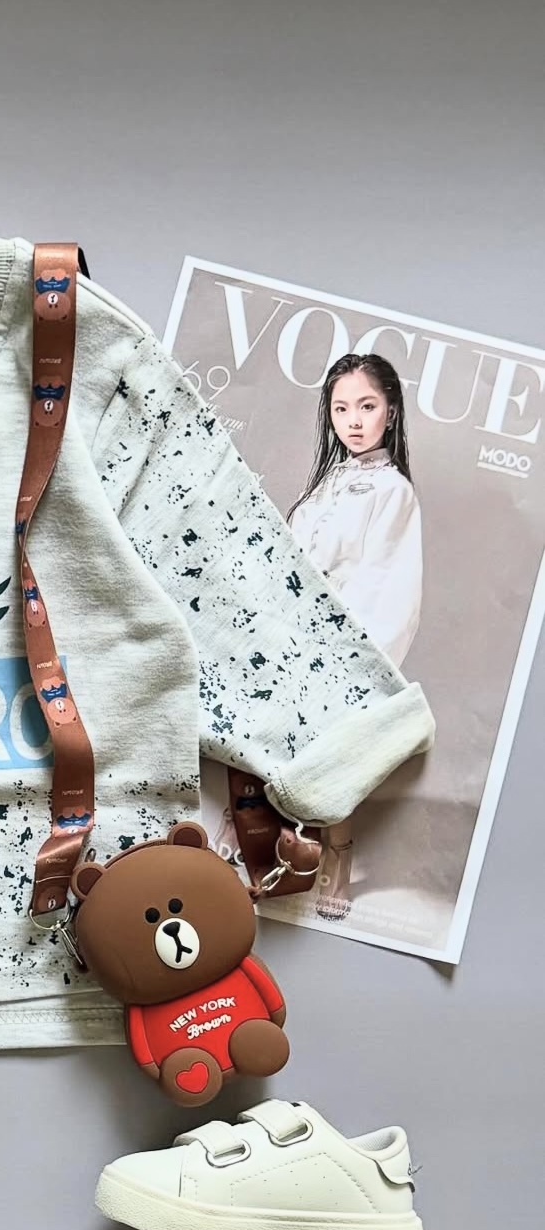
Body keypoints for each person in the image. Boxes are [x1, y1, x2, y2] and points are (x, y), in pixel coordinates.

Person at [288, 352, 423, 919]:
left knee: (334, 752)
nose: (354, 421)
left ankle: (338, 855)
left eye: (367, 406)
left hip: (343, 646)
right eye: (341, 408)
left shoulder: (392, 492)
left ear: (390, 411)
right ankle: (249, 834)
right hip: (293, 635)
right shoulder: (328, 483)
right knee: (274, 740)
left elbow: (387, 583)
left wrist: (355, 659)